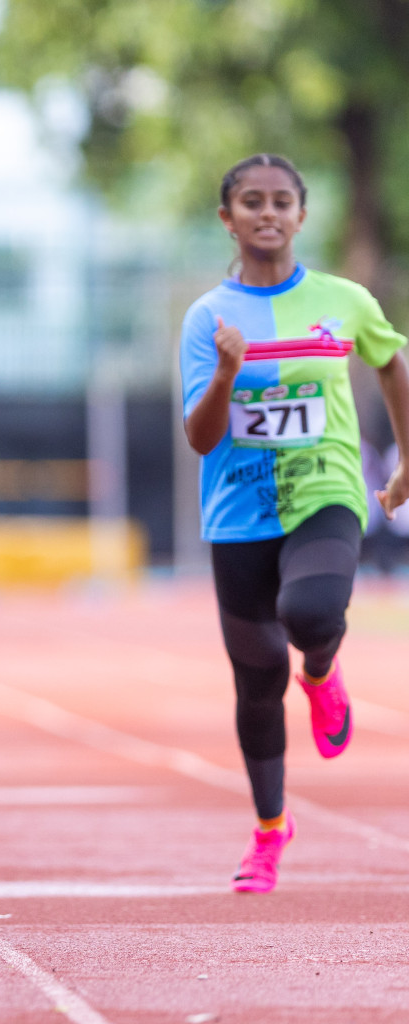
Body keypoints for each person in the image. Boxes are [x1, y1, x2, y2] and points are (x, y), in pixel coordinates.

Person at [179, 153, 409, 893]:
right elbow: (200, 437)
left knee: (309, 611)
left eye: (282, 201)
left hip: (328, 492)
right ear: (229, 218)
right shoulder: (206, 318)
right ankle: (270, 831)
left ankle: (322, 669)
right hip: (238, 512)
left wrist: (407, 458)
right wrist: (223, 373)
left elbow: (393, 361)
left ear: (302, 216)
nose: (268, 213)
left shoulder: (344, 299)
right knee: (255, 682)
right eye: (252, 201)